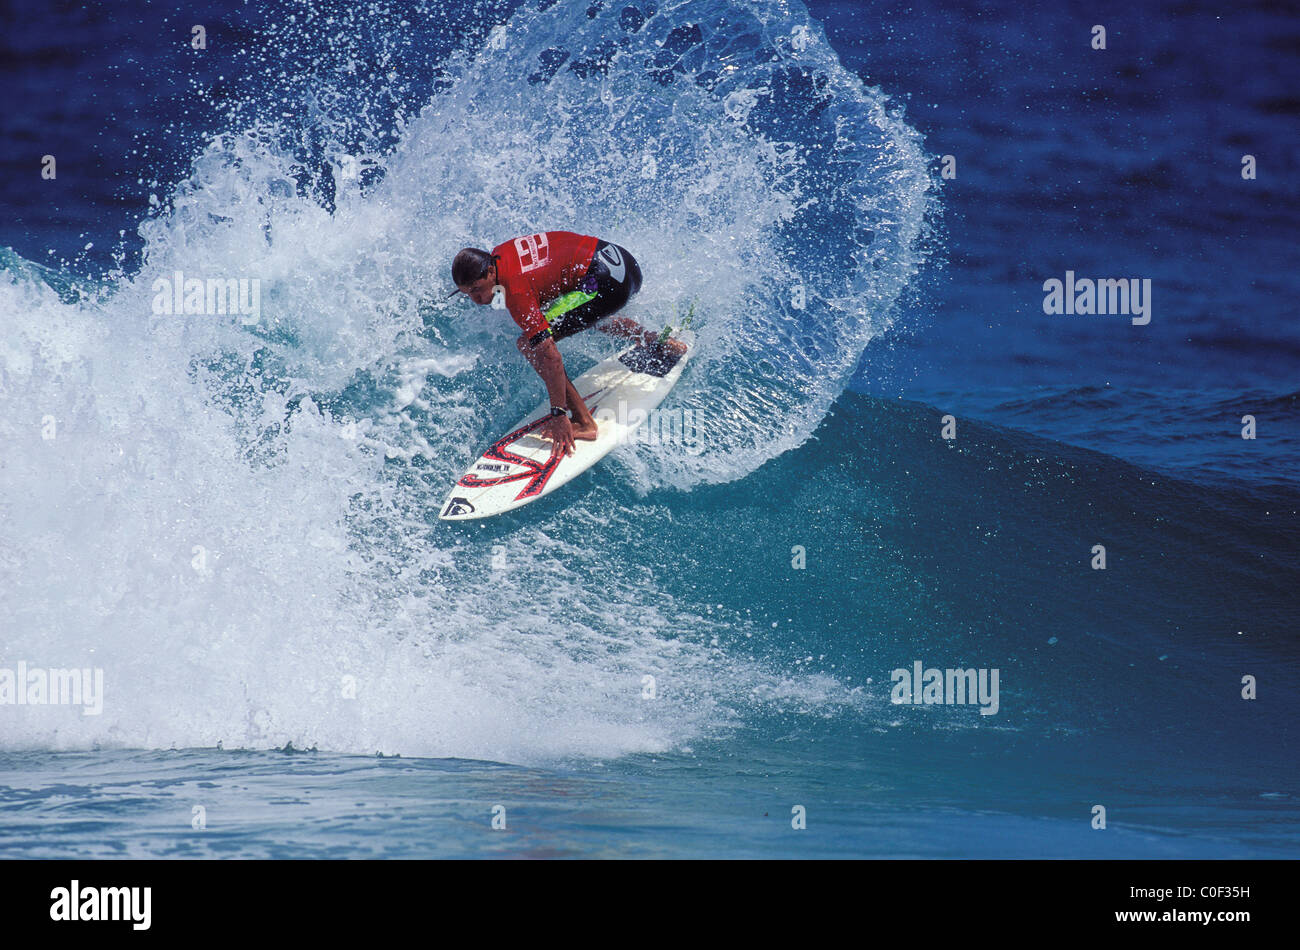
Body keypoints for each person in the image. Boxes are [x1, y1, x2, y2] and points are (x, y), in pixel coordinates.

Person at [450, 231, 683, 457]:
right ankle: (655, 341)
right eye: (467, 294)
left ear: (491, 271)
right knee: (572, 312)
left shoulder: (516, 292)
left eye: (477, 290)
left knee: (531, 345)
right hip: (623, 263)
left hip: (609, 285)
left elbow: (551, 356)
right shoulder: (499, 254)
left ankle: (583, 422)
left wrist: (558, 414)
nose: (476, 300)